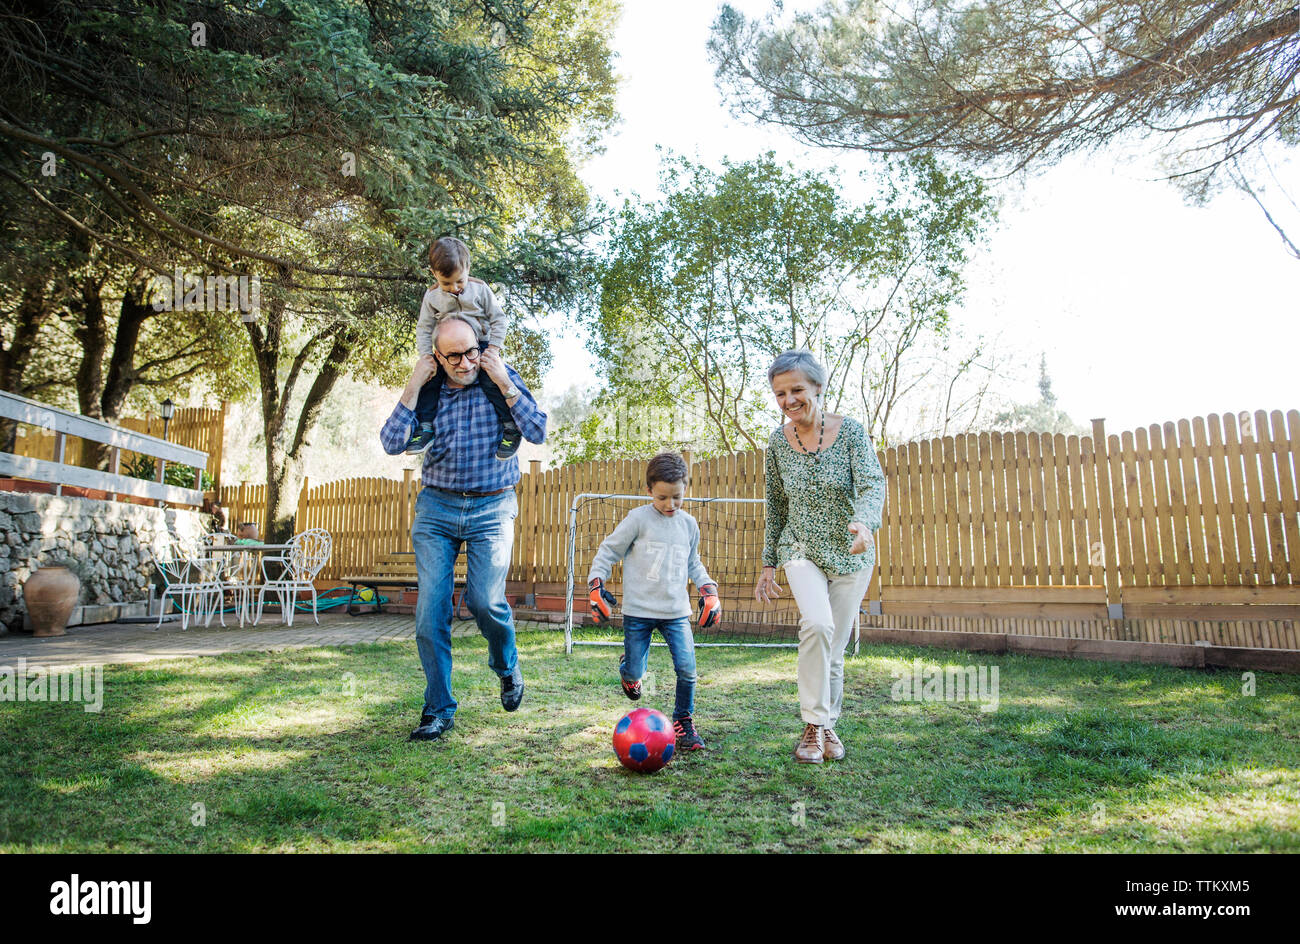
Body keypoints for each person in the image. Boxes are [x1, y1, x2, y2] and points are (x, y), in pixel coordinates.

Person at [381, 315, 547, 742]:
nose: (464, 362)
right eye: (452, 355)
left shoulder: (497, 377)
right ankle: (438, 709)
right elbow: (391, 442)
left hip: (492, 507)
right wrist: (414, 384)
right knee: (428, 613)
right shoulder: (431, 389)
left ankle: (507, 666)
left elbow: (538, 430)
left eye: (470, 351)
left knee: (485, 601)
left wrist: (505, 382)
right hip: (437, 509)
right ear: (437, 355)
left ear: (480, 346)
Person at [753, 350, 886, 764]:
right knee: (817, 624)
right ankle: (813, 725)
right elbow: (776, 505)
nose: (789, 401)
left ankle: (826, 727)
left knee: (834, 646)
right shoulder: (778, 442)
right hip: (801, 549)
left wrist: (865, 524)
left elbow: (872, 484)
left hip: (851, 553)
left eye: (796, 390)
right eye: (779, 394)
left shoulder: (851, 433)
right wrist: (768, 561)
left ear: (818, 388)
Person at [586, 451, 720, 752]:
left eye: (676, 497)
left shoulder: (689, 525)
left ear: (685, 487)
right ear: (649, 491)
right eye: (662, 498)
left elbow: (693, 563)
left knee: (687, 669)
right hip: (638, 612)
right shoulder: (638, 520)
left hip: (675, 613)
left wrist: (709, 589)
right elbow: (608, 551)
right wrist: (596, 584)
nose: (669, 505)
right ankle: (628, 673)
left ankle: (683, 722)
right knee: (636, 671)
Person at [401, 236, 521, 460]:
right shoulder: (432, 295)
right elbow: (424, 327)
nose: (454, 288)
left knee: (490, 380)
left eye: (459, 281)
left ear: (467, 268)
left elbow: (499, 319)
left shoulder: (480, 289)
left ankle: (510, 427)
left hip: (479, 345)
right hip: (447, 348)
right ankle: (426, 427)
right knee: (431, 379)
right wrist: (426, 356)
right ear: (433, 273)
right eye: (447, 284)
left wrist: (493, 348)